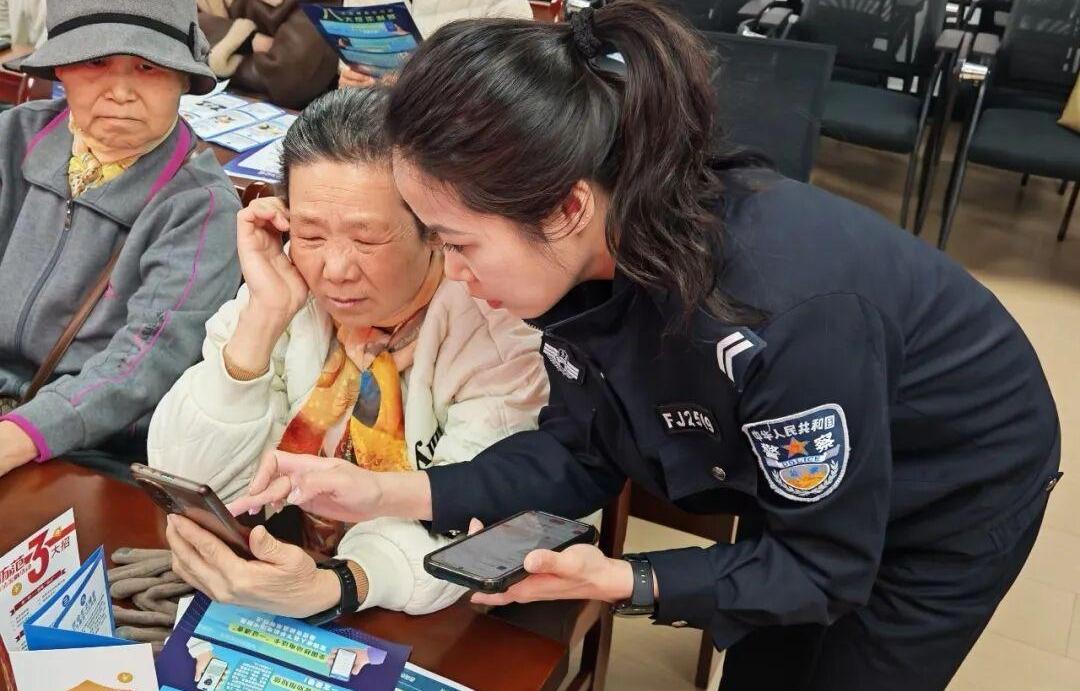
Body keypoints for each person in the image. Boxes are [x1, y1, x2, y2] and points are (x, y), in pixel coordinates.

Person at [228, 3, 1063, 690]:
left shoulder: (779, 314)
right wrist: (384, 493)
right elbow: (579, 450)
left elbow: (825, 566)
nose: (452, 272)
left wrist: (633, 579)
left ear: (566, 208)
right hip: (805, 468)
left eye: (459, 243)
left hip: (949, 482)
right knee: (769, 660)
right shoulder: (584, 259)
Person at [150, 87, 547, 618]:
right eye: (311, 235)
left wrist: (339, 583)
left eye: (367, 240)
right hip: (287, 564)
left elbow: (478, 515)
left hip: (451, 606)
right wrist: (264, 316)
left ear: (435, 229)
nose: (335, 270)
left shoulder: (496, 330)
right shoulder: (289, 287)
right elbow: (187, 476)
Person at [0, 0, 241, 476]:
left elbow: (146, 359)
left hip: (89, 445)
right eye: (96, 62)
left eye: (149, 67)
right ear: (62, 67)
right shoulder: (12, 137)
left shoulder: (201, 206)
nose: (122, 92)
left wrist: (21, 434)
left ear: (183, 79)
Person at [337, 0, 533, 89]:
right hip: (376, 120)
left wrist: (419, 83)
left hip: (460, 127)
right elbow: (351, 63)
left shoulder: (505, 5)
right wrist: (353, 81)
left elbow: (514, 80)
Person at [197, 0, 341, 110]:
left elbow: (289, 78)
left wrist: (227, 59)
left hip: (289, 117)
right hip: (215, 104)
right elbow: (186, 27)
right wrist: (249, 40)